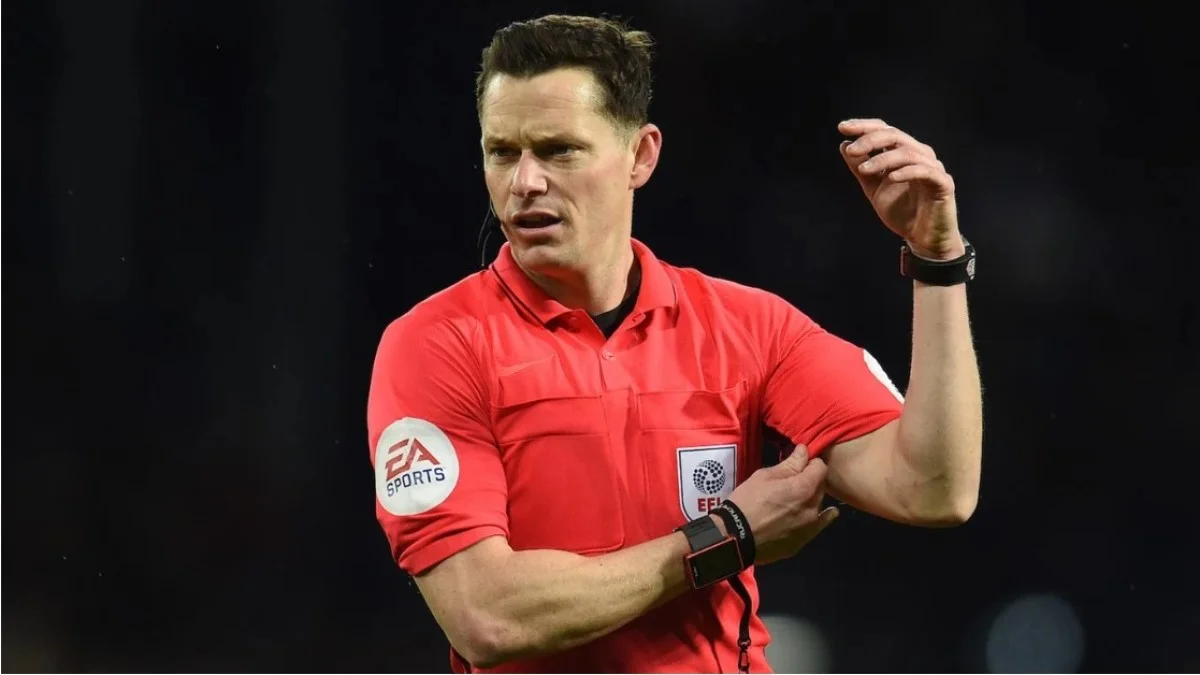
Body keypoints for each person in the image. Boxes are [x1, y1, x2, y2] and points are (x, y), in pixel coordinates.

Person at [366, 13, 983, 674]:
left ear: (641, 156)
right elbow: (487, 617)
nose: (524, 183)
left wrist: (937, 260)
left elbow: (932, 488)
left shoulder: (749, 329)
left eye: (558, 150)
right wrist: (723, 538)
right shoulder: (434, 346)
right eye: (502, 152)